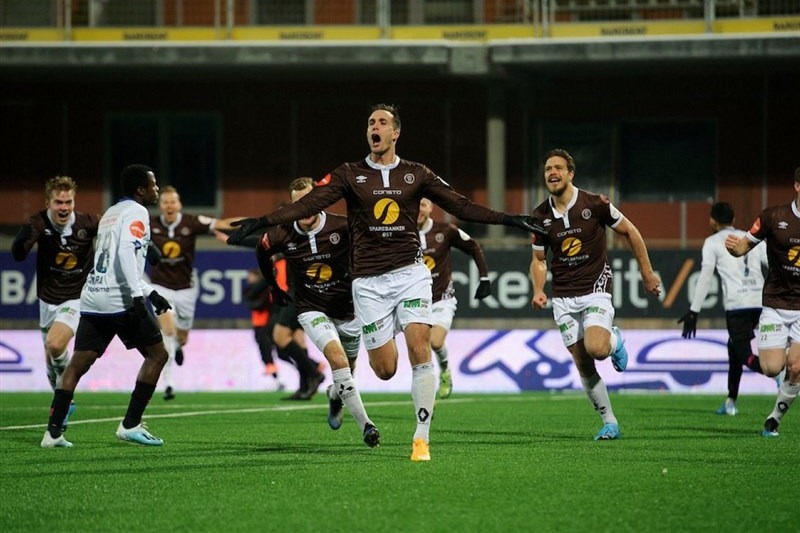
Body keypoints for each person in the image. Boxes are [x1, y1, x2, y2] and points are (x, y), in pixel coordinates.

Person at [227, 103, 539, 461]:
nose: (374, 127)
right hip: (369, 284)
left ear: (395, 132)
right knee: (385, 370)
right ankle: (338, 390)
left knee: (420, 348)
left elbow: (461, 205)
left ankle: (421, 438)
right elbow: (309, 204)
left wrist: (509, 219)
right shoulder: (349, 174)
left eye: (381, 122)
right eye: (370, 123)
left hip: (410, 274)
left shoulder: (417, 173)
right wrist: (263, 221)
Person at [529, 148, 661, 441]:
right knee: (583, 362)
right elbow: (538, 259)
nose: (552, 173)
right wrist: (538, 289)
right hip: (563, 296)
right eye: (548, 168)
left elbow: (630, 231)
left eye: (558, 168)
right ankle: (609, 421)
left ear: (570, 173)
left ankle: (614, 340)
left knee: (597, 348)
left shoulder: (595, 203)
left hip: (595, 287)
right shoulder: (539, 216)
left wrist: (647, 272)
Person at [41, 164, 172, 448]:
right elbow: (125, 252)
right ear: (141, 190)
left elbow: (112, 261)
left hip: (93, 295)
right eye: (153, 184)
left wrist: (151, 293)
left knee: (78, 363)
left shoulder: (112, 212)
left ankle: (52, 434)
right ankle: (131, 424)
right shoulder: (137, 212)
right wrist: (138, 295)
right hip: (119, 299)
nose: (157, 189)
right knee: (158, 355)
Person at [254, 176, 379, 446]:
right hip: (311, 308)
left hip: (348, 309)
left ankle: (335, 395)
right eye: (299, 204)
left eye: (311, 201)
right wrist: (273, 285)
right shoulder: (282, 233)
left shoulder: (342, 226)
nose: (306, 208)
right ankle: (367, 426)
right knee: (338, 360)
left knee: (348, 369)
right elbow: (261, 251)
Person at [11, 176, 100, 429]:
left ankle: (66, 394)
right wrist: (20, 244)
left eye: (68, 202)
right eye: (58, 202)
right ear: (48, 203)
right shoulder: (39, 222)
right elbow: (20, 253)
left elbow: (117, 229)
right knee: (51, 363)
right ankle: (63, 402)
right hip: (47, 301)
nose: (63, 207)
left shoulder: (88, 222)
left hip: (77, 297)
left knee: (55, 344)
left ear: (74, 202)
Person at [678, 201, 775, 415]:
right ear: (733, 219)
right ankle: (731, 401)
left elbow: (705, 278)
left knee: (744, 354)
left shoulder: (712, 243)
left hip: (737, 306)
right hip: (759, 303)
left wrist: (694, 311)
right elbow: (772, 264)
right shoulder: (749, 237)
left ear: (712, 221)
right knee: (734, 349)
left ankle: (778, 374)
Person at [724, 167, 800, 438]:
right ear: (797, 186)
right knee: (771, 368)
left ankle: (773, 420)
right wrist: (734, 249)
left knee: (796, 367)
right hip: (775, 305)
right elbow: (743, 246)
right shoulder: (773, 217)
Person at [148, 185, 243, 400]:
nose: (169, 206)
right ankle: (168, 383)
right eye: (165, 202)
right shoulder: (149, 224)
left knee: (181, 336)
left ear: (179, 204)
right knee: (168, 331)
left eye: (173, 202)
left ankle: (178, 346)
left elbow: (222, 224)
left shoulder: (191, 222)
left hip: (186, 288)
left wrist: (256, 222)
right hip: (161, 286)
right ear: (160, 206)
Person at [417, 197, 492, 399]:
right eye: (415, 204)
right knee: (419, 348)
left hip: (442, 298)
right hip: (415, 301)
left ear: (431, 207)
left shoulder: (445, 230)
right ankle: (424, 394)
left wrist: (484, 278)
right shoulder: (403, 234)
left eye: (423, 204)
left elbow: (473, 246)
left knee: (435, 342)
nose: (418, 209)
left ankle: (445, 371)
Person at [243, 267, 286, 391]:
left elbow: (259, 304)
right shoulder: (250, 290)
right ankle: (276, 377)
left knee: (272, 349)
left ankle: (309, 367)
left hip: (267, 323)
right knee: (265, 349)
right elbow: (250, 302)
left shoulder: (265, 290)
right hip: (258, 324)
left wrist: (254, 303)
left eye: (252, 276)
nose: (249, 279)